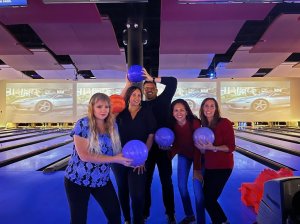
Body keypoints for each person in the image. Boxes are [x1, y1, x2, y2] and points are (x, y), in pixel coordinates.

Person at [64, 93, 132, 224]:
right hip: (77, 180)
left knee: (115, 216)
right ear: (92, 108)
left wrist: (130, 160)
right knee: (79, 220)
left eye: (106, 107)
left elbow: (116, 151)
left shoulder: (113, 126)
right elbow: (84, 155)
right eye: (99, 106)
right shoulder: (83, 124)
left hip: (101, 180)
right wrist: (115, 159)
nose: (103, 110)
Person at [121, 68, 177, 223]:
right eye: (146, 89)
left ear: (156, 89)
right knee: (146, 182)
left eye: (151, 88)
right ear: (143, 91)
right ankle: (144, 213)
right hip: (147, 149)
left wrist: (152, 78)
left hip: (164, 148)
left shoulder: (165, 98)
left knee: (167, 182)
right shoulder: (142, 105)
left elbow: (173, 81)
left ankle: (170, 213)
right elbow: (122, 103)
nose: (149, 90)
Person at [112, 86, 156, 224]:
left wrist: (143, 157)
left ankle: (138, 220)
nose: (136, 98)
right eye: (133, 95)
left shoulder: (146, 112)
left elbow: (151, 135)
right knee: (123, 190)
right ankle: (126, 219)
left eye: (138, 95)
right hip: (119, 158)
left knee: (137, 194)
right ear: (128, 96)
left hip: (139, 159)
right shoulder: (121, 113)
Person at [194, 97, 235, 224]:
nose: (209, 109)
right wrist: (201, 149)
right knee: (207, 200)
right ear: (202, 108)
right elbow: (203, 151)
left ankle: (222, 221)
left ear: (216, 109)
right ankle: (221, 221)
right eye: (206, 106)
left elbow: (231, 147)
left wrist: (214, 147)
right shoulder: (202, 126)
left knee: (209, 200)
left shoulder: (225, 123)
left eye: (212, 106)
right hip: (209, 167)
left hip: (223, 167)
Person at [169, 99, 205, 224]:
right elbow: (177, 144)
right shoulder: (173, 125)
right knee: (181, 186)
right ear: (172, 113)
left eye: (182, 110)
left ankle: (201, 221)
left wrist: (197, 169)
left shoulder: (194, 123)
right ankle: (190, 215)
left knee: (198, 192)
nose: (179, 113)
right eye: (176, 110)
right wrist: (167, 157)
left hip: (198, 156)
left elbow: (197, 147)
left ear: (187, 111)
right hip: (184, 155)